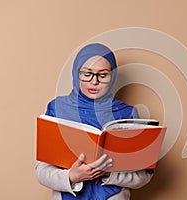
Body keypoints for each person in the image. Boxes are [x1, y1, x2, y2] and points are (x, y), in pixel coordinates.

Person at [35, 43, 153, 200]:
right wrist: (71, 176)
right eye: (87, 73)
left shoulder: (128, 113)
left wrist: (108, 174)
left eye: (103, 75)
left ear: (113, 77)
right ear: (76, 73)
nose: (94, 81)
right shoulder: (57, 108)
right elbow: (41, 171)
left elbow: (144, 176)